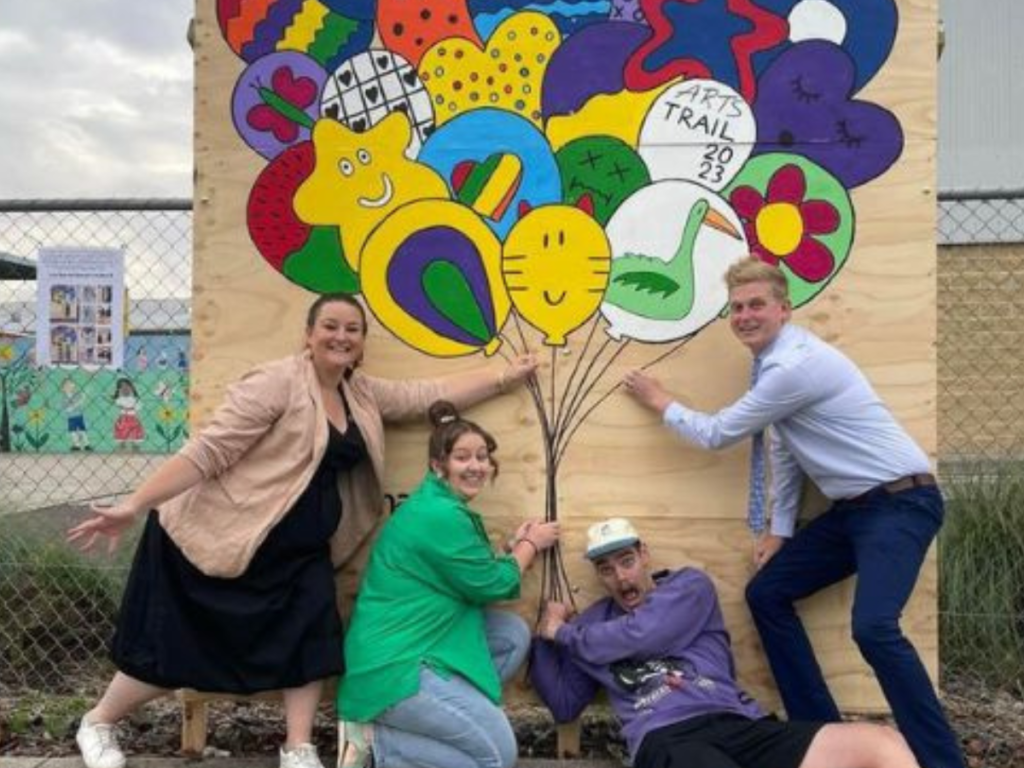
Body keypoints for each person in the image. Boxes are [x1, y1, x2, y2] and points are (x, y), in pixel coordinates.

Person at [66, 293, 538, 768]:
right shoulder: (277, 383)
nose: (341, 336)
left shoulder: (360, 393)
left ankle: (298, 747)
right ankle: (99, 720)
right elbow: (208, 451)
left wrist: (504, 377)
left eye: (352, 329)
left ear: (361, 342)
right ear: (309, 335)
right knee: (177, 643)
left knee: (310, 641)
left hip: (300, 550)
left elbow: (424, 395)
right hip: (229, 538)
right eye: (330, 326)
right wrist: (135, 503)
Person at [622, 258, 963, 768]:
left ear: (784, 309)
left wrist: (660, 400)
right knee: (768, 593)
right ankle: (820, 736)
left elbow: (717, 434)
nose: (745, 315)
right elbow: (786, 450)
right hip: (854, 513)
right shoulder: (772, 367)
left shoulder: (794, 366)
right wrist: (781, 531)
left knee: (873, 628)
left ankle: (942, 761)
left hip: (901, 504)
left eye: (756, 304)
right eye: (736, 308)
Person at [531, 517, 923, 768]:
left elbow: (644, 634)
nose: (620, 577)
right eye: (606, 569)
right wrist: (544, 634)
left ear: (644, 555)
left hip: (737, 722)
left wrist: (564, 634)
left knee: (880, 743)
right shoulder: (592, 625)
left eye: (626, 561)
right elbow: (565, 703)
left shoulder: (687, 587)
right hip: (665, 738)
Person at [335, 400, 560, 768]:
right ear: (438, 465)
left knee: (510, 635)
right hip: (396, 664)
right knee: (497, 757)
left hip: (423, 640)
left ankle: (435, 724)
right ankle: (380, 745)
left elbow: (464, 570)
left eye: (482, 456)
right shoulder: (438, 515)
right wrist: (530, 545)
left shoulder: (439, 506)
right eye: (462, 457)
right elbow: (491, 585)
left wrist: (509, 548)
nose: (476, 466)